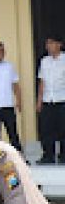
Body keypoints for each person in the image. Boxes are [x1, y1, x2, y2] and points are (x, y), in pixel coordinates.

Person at [37, 34, 65, 164]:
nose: (48, 46)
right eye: (47, 43)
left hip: (62, 100)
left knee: (63, 128)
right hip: (48, 100)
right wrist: (39, 101)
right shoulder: (44, 61)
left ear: (59, 44)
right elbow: (42, 81)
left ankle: (63, 155)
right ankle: (48, 155)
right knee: (46, 129)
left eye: (51, 43)